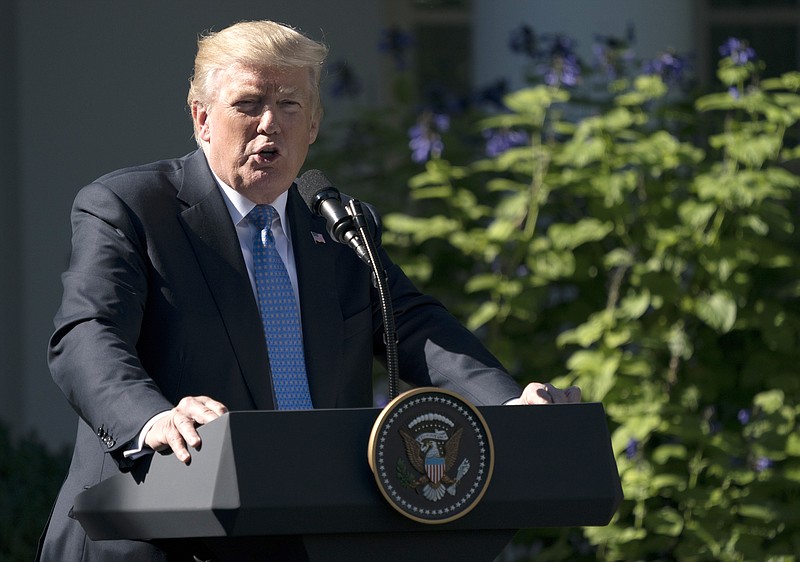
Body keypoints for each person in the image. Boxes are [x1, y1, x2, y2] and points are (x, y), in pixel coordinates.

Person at [36, 20, 580, 562]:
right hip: (153, 533)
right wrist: (152, 417)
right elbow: (87, 335)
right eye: (248, 104)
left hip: (306, 532)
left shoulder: (343, 228)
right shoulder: (130, 208)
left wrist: (509, 406)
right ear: (202, 118)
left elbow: (414, 326)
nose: (269, 123)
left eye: (290, 105)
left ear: (314, 122)